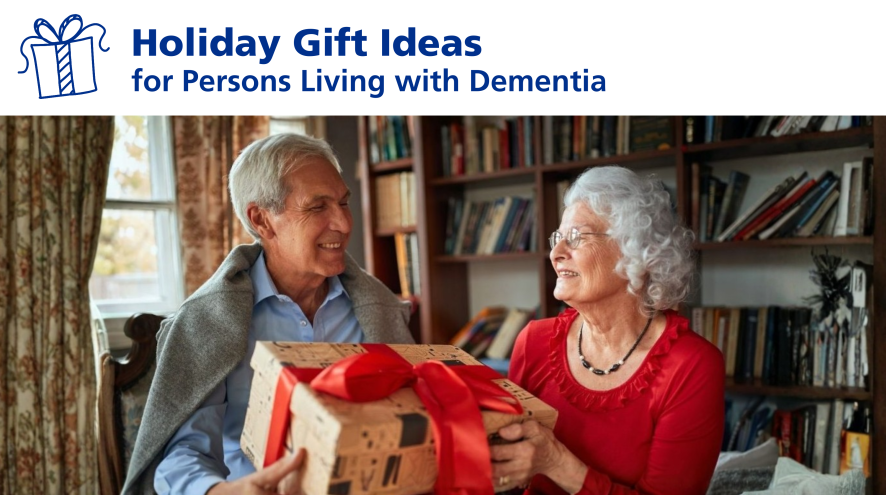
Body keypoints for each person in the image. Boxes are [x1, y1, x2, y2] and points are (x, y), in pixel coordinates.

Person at [122, 133, 415, 495]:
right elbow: (184, 455)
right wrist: (219, 492)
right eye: (318, 207)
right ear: (262, 221)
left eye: (344, 202)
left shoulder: (379, 309)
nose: (343, 223)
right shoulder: (206, 322)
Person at [491, 166, 724, 495]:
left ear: (636, 251)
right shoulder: (533, 342)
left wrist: (557, 463)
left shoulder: (691, 366)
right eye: (557, 239)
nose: (556, 254)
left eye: (576, 238)